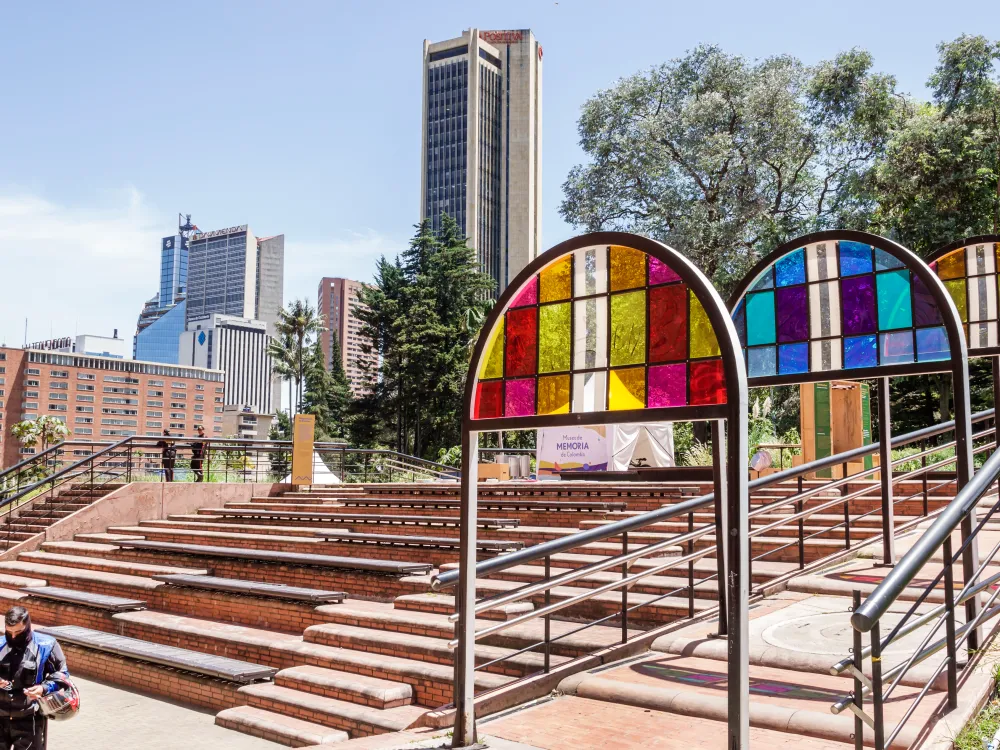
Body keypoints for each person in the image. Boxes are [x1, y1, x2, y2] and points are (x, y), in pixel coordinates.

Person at [0, 606, 68, 749]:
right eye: (9, 632)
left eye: (18, 632)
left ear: (28, 626)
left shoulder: (46, 645)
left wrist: (43, 688)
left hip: (30, 719)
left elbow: (62, 675)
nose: (13, 637)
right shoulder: (0, 644)